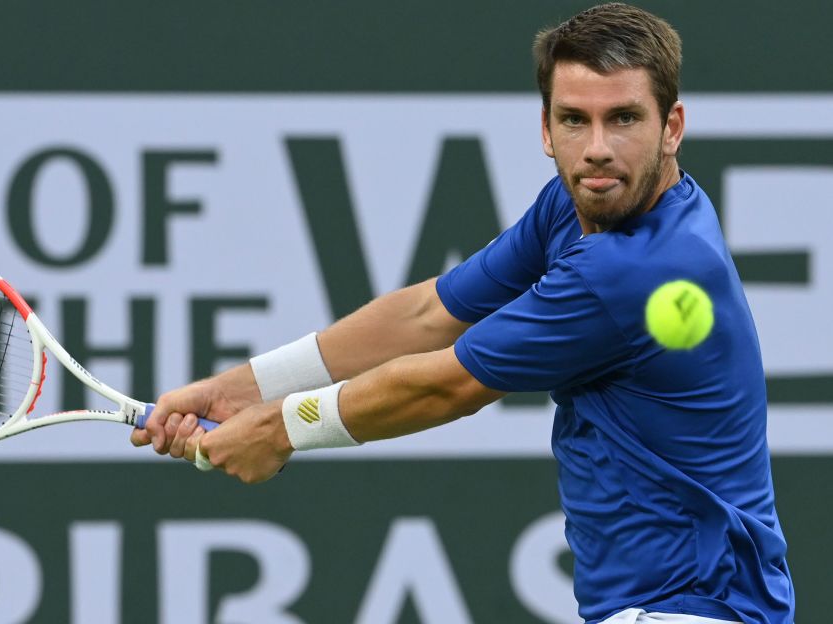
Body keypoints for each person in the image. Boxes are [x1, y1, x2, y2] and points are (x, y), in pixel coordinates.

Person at [131, 3, 795, 623]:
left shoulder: (629, 271)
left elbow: (447, 382)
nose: (596, 147)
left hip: (692, 608)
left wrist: (280, 429)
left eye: (623, 118)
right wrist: (239, 387)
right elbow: (429, 312)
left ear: (671, 127)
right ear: (545, 129)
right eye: (574, 119)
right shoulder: (575, 206)